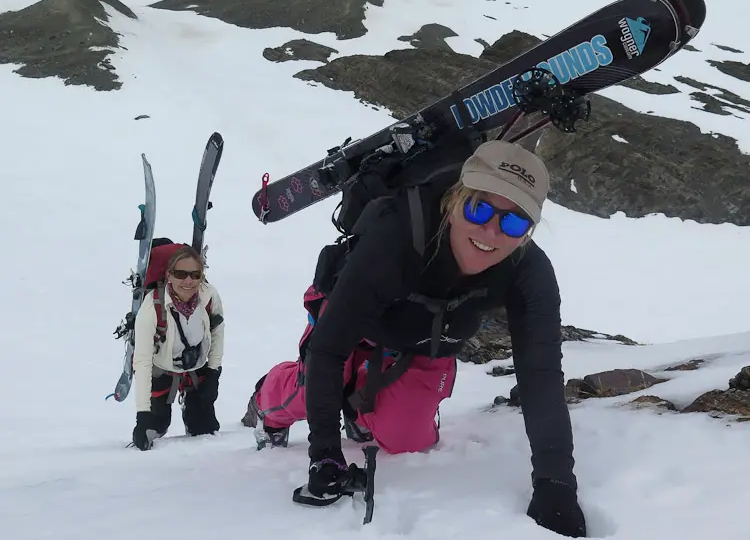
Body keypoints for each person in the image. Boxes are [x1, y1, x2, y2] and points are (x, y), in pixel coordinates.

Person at [242, 140, 587, 537]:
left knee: (405, 438)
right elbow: (329, 347)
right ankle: (266, 398)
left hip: (422, 346)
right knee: (312, 391)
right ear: (456, 197)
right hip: (351, 328)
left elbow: (541, 376)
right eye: (479, 208)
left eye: (513, 223)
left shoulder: (529, 271)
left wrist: (555, 483)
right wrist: (325, 457)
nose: (491, 231)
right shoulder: (399, 234)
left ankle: (361, 413)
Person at [131, 242, 225, 451]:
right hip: (161, 369)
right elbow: (143, 361)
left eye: (195, 274)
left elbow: (218, 332)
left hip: (198, 369)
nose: (188, 281)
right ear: (169, 275)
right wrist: (142, 414)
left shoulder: (209, 295)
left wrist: (213, 372)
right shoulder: (152, 307)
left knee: (205, 430)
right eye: (181, 274)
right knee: (155, 428)